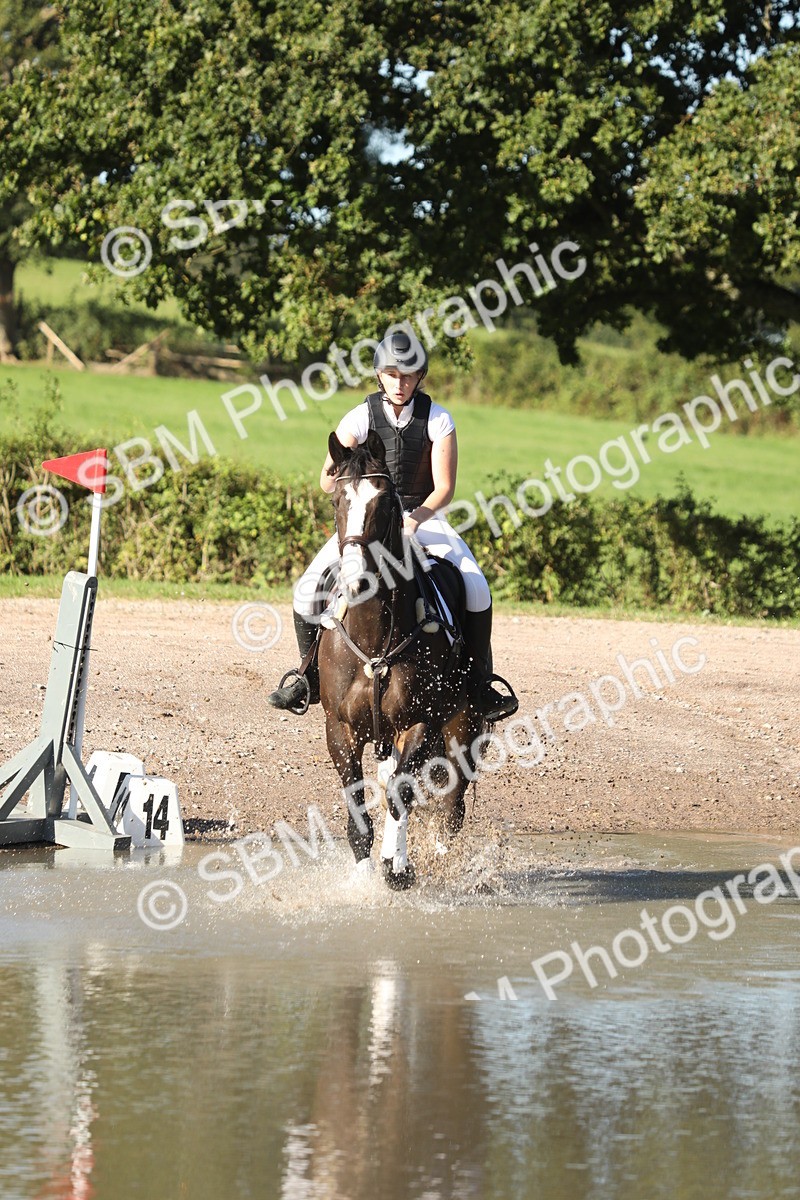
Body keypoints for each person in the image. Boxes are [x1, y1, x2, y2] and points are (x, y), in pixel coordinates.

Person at [267, 331, 518, 722]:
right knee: (305, 592)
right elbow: (326, 481)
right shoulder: (360, 416)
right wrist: (346, 462)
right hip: (366, 522)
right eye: (391, 375)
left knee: (477, 587)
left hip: (423, 518)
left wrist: (414, 518)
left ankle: (479, 683)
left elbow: (445, 488)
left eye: (408, 376)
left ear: (420, 377)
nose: (399, 384)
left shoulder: (438, 418)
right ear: (379, 376)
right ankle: (307, 678)